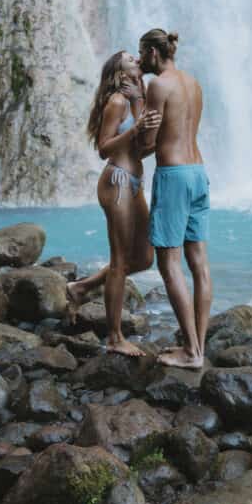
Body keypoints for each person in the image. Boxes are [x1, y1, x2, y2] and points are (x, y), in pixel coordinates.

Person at [66, 51, 161, 356]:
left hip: (133, 183)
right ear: (119, 73)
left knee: (145, 257)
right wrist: (136, 128)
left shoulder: (136, 101)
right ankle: (115, 337)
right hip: (116, 181)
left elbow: (140, 151)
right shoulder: (117, 102)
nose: (137, 60)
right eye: (130, 59)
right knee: (120, 260)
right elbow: (104, 149)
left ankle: (80, 288)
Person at [138, 28, 211, 369]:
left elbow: (148, 145)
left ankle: (191, 353)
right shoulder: (194, 83)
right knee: (199, 264)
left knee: (169, 264)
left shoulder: (158, 86)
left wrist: (138, 124)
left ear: (154, 52)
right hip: (199, 173)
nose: (140, 62)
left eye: (142, 55)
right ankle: (200, 346)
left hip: (173, 176)